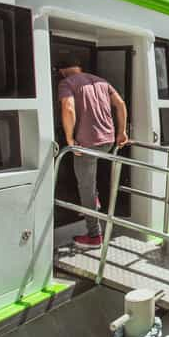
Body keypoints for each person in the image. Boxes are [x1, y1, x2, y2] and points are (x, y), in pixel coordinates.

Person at [57, 57, 129, 249]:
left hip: (87, 145)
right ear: (80, 68)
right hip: (107, 141)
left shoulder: (66, 83)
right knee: (90, 176)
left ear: (62, 71)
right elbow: (120, 104)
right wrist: (121, 132)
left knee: (85, 187)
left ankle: (94, 235)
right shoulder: (101, 81)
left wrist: (70, 138)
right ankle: (94, 200)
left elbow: (68, 108)